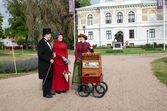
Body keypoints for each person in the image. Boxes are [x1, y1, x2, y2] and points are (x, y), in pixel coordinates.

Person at [38, 28, 54, 98]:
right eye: (49, 34)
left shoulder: (48, 42)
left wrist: (53, 54)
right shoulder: (41, 42)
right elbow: (40, 54)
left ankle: (49, 91)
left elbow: (49, 52)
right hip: (44, 64)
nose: (50, 35)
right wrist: (49, 59)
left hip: (49, 64)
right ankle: (45, 93)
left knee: (50, 78)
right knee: (46, 78)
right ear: (46, 35)